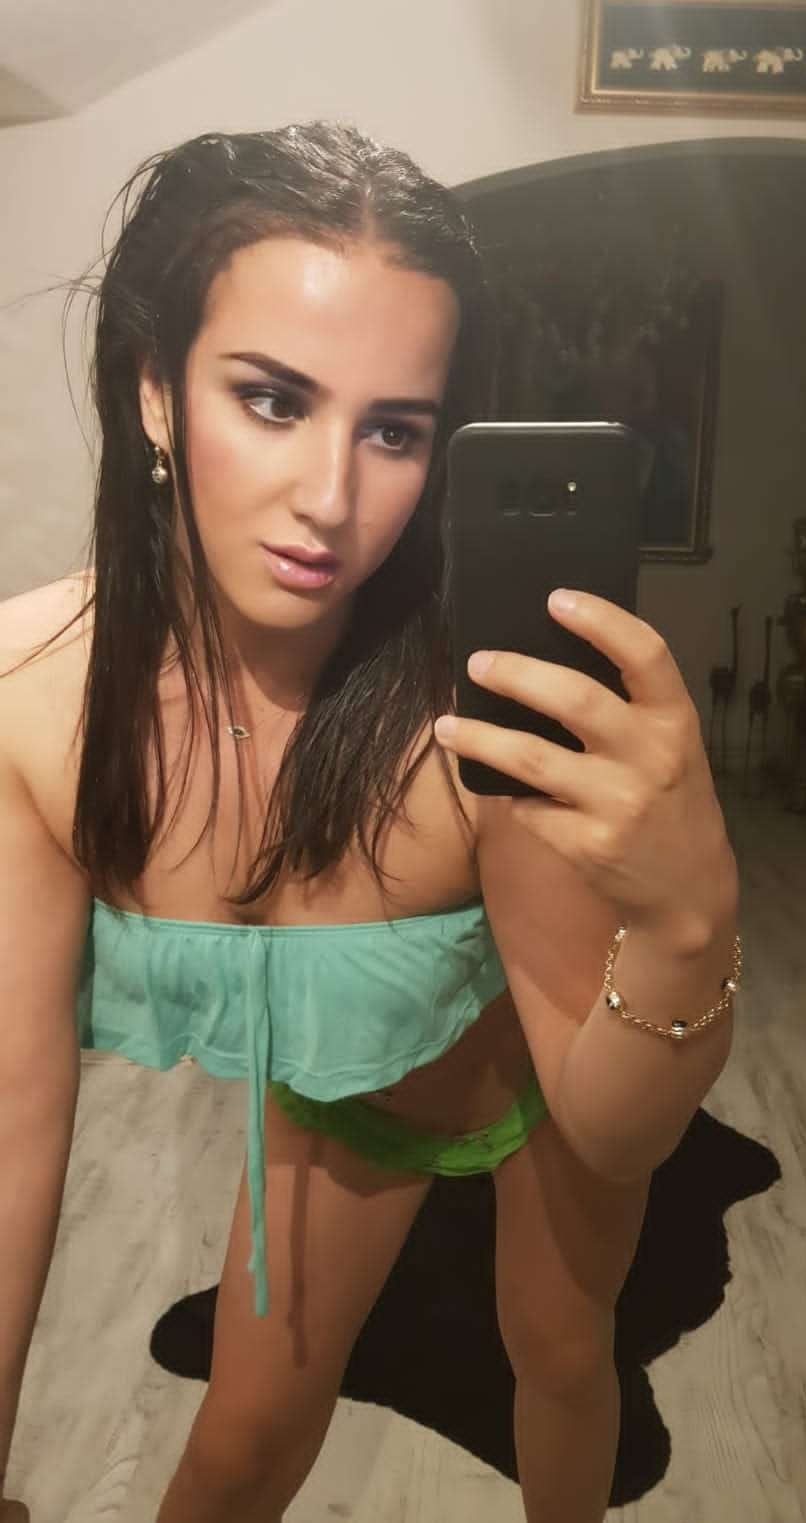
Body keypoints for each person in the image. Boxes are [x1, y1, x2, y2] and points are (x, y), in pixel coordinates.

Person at [0, 122, 740, 1523]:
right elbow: (8, 1131)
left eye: (396, 430)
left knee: (563, 1359)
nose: (332, 501)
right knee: (242, 1435)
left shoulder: (474, 707)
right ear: (155, 390)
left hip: (541, 1083)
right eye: (272, 400)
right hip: (356, 1093)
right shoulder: (32, 705)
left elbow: (612, 1124)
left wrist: (690, 921)